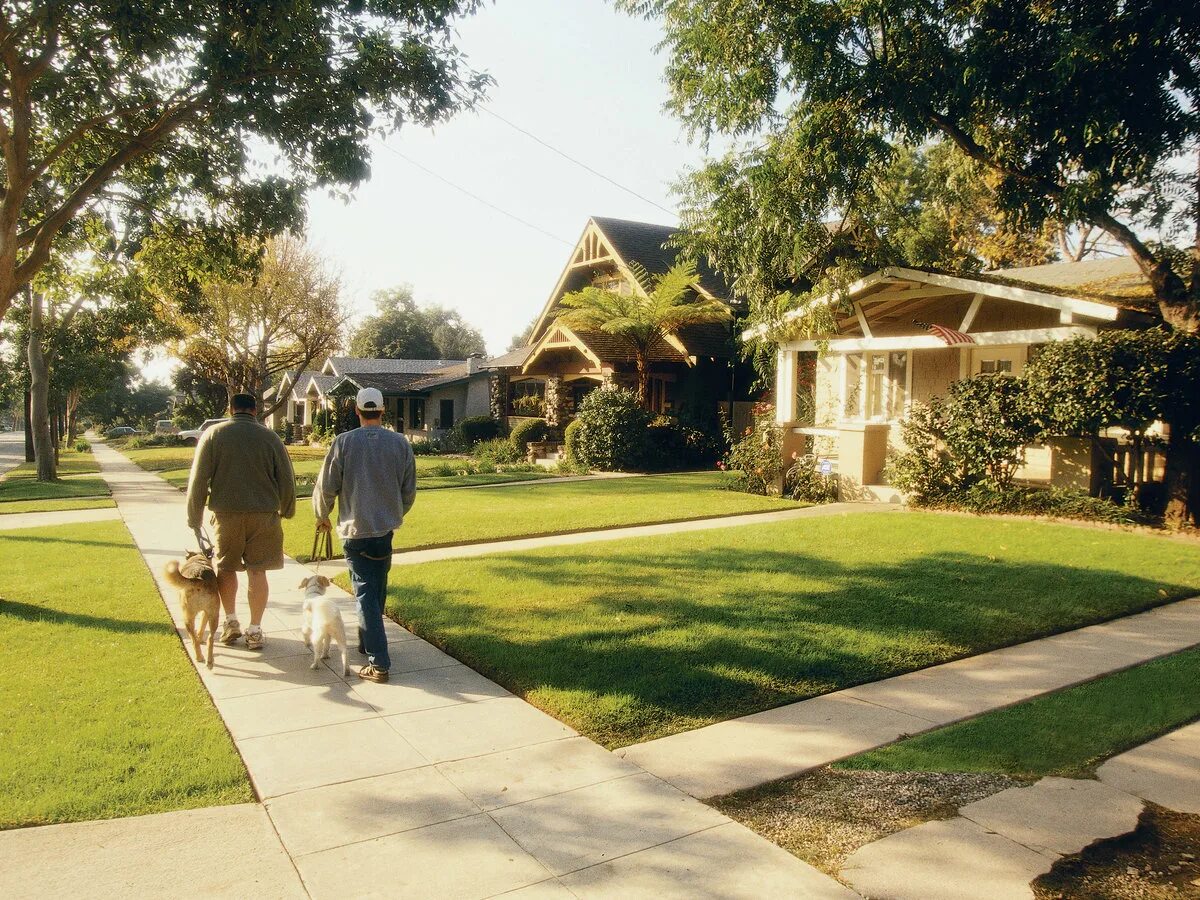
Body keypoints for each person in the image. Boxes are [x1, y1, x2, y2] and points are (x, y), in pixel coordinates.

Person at [313, 387, 416, 683]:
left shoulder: (343, 443)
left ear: (357, 411)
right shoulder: (400, 443)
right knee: (376, 589)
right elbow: (408, 492)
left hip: (354, 531)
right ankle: (366, 641)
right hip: (384, 531)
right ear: (382, 411)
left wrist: (322, 516)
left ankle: (379, 662)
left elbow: (326, 486)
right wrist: (394, 513)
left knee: (366, 595)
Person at [186, 393, 296, 651]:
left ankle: (231, 620)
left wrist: (194, 517)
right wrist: (287, 509)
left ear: (230, 409)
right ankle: (255, 629)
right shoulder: (270, 438)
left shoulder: (213, 435)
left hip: (226, 514)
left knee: (226, 568)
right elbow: (286, 478)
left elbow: (199, 480)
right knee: (258, 571)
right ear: (255, 410)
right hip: (264, 515)